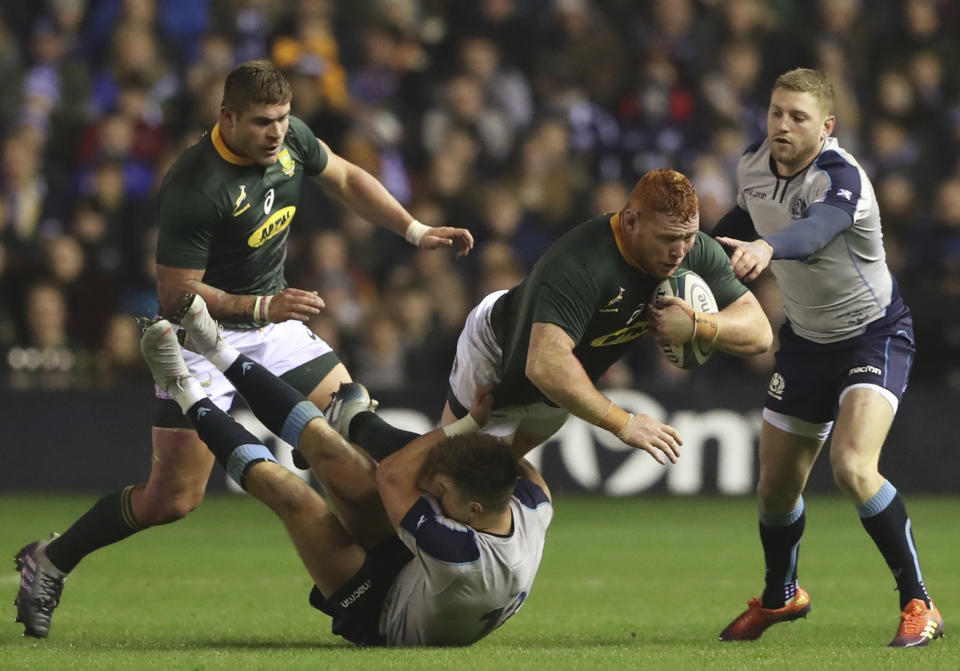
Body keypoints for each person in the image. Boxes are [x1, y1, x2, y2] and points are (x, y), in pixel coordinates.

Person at [14, 59, 473, 639]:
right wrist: (259, 308)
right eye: (261, 122)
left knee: (353, 421)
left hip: (272, 324)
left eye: (282, 119)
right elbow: (176, 293)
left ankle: (383, 565)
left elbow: (349, 178)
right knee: (173, 499)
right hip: (201, 334)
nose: (276, 132)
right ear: (226, 117)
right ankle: (50, 560)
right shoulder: (195, 183)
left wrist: (414, 230)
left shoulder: (291, 142)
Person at [141, 294, 550, 646]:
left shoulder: (460, 556)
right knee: (327, 447)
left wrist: (463, 427)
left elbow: (393, 473)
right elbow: (509, 457)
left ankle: (181, 386)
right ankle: (215, 346)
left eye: (445, 495)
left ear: (475, 511)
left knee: (293, 495)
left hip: (382, 609)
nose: (438, 494)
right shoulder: (534, 502)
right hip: (420, 569)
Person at [711, 68, 943, 647]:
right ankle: (781, 596)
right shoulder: (752, 165)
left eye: (797, 117)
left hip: (873, 335)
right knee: (775, 489)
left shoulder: (842, 178)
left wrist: (767, 247)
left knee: (852, 466)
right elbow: (747, 219)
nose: (782, 125)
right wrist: (692, 248)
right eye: (775, 112)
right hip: (806, 343)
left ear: (827, 126)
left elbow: (814, 231)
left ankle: (920, 602)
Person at [429, 168, 772, 463]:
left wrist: (699, 325)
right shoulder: (582, 263)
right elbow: (544, 363)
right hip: (503, 350)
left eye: (688, 237)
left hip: (565, 377)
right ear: (631, 219)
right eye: (668, 238)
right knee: (453, 474)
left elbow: (760, 334)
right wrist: (624, 423)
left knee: (495, 474)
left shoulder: (694, 250)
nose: (680, 252)